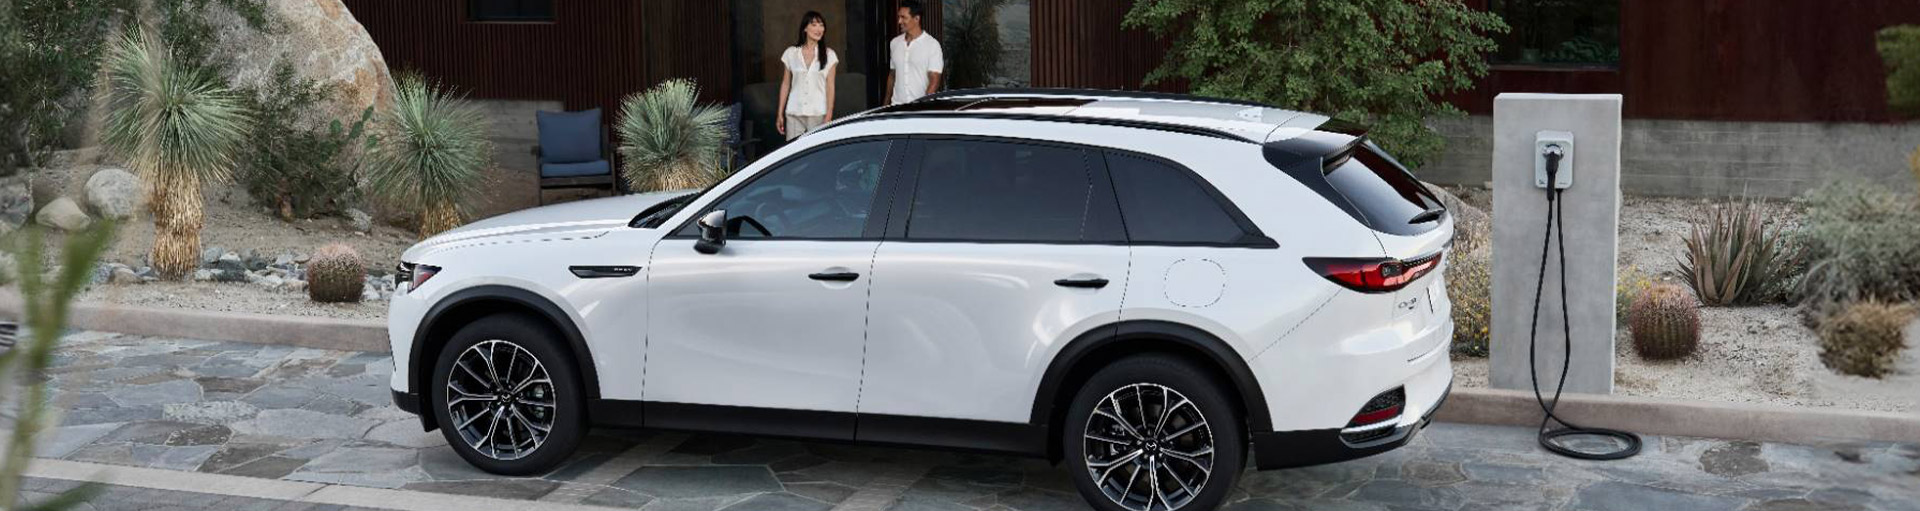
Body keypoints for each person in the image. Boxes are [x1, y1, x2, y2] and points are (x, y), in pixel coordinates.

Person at [778, 11, 839, 140]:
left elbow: (830, 87)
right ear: (805, 28)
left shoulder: (829, 55)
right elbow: (785, 84)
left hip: (818, 113)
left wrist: (829, 114)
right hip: (794, 112)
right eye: (814, 25)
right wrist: (779, 113)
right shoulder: (791, 53)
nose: (819, 29)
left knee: (817, 154)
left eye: (821, 25)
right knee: (793, 152)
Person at [884, 0, 942, 106]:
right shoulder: (894, 43)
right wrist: (885, 106)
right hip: (896, 107)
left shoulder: (932, 45)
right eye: (899, 17)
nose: (899, 21)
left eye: (904, 17)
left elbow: (934, 79)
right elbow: (892, 75)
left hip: (918, 110)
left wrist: (923, 107)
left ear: (916, 19)